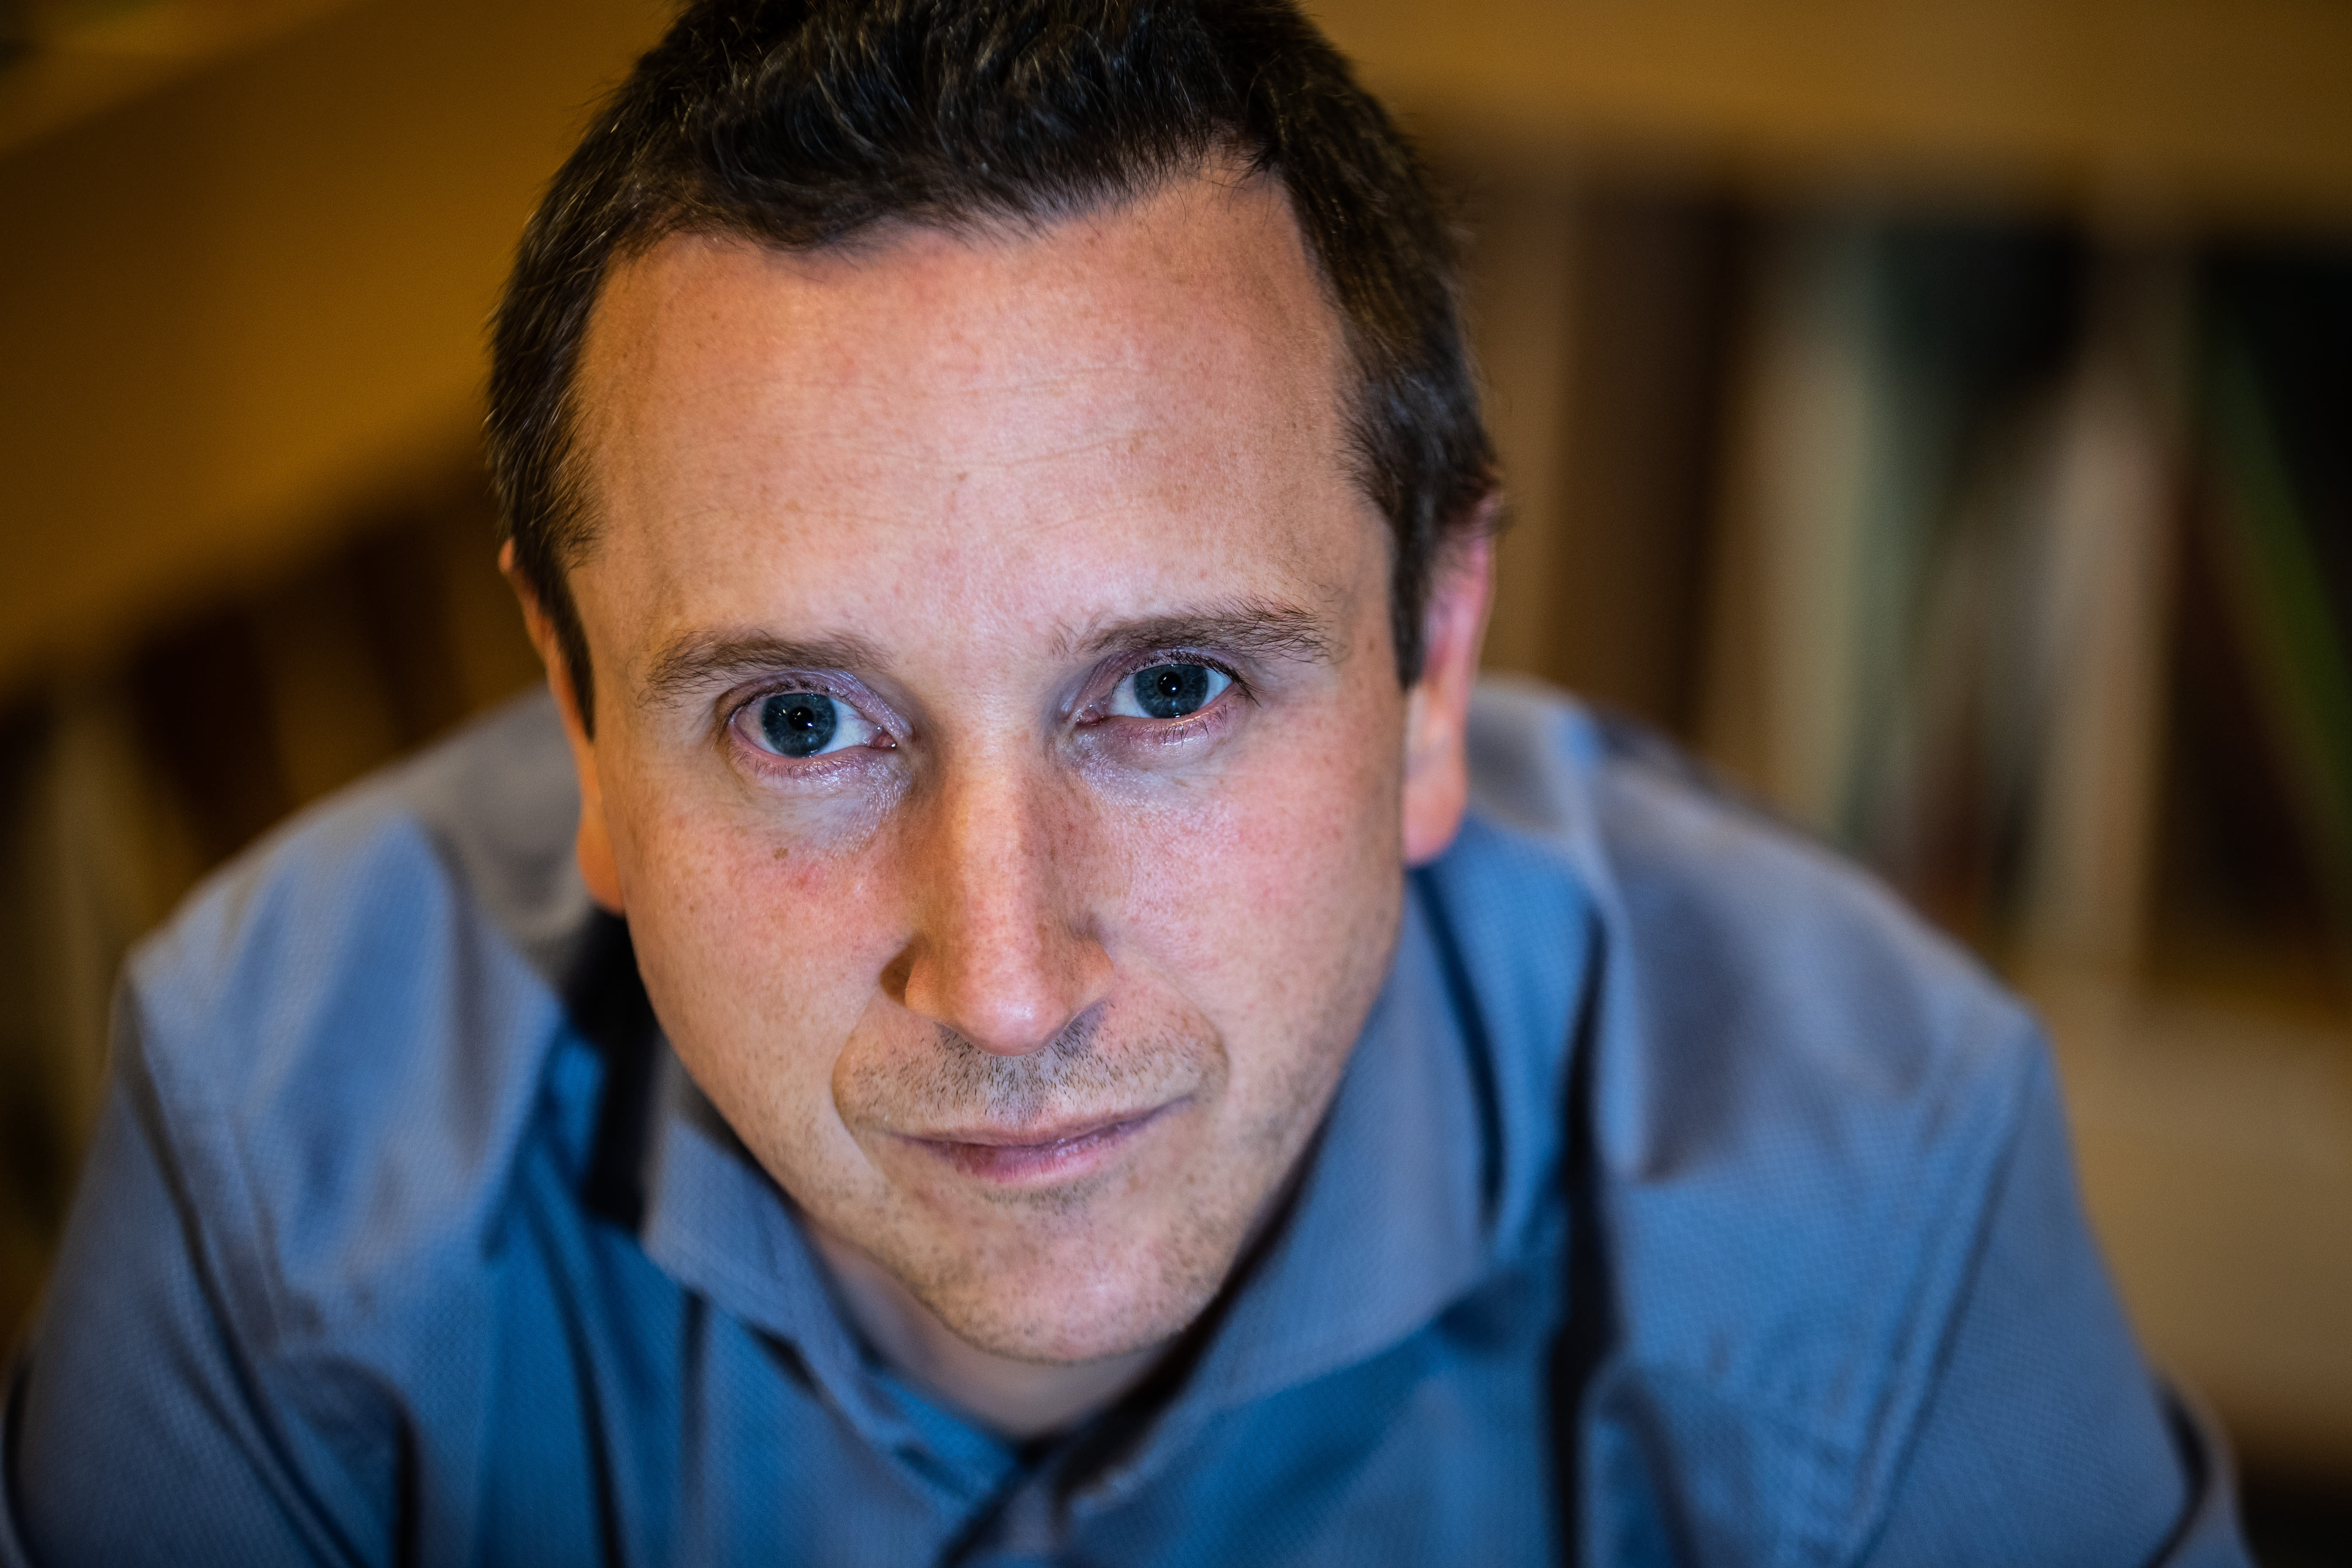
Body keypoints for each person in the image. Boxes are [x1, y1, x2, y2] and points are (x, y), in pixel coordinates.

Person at [0, 1, 2251, 1562]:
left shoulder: (1874, 1193)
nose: (1002, 985)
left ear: (1435, 668)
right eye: (802, 724)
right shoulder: (276, 1140)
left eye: (1169, 688)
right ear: (581, 724)